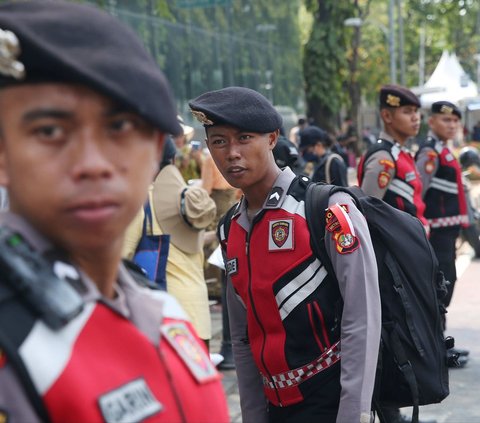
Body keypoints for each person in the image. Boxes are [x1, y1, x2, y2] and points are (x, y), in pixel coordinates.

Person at [0, 2, 229, 422]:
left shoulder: (161, 315)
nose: (93, 162)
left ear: (156, 148)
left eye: (120, 126)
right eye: (50, 131)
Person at [189, 86, 381, 423]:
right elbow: (242, 336)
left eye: (244, 137)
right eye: (219, 141)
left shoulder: (327, 209)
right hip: (272, 407)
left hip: (331, 402)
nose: (232, 152)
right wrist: (252, 415)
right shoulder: (229, 229)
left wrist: (354, 415)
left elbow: (362, 319)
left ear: (273, 138)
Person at [357, 85, 434, 423]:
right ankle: (390, 414)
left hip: (405, 258)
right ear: (387, 116)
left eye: (417, 111)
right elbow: (366, 211)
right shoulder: (384, 158)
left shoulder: (402, 154)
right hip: (389, 263)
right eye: (406, 112)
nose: (415, 117)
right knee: (393, 338)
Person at [123, 137, 217, 348]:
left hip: (166, 313)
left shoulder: (143, 201)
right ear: (173, 160)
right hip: (199, 312)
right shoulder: (191, 200)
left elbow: (121, 257)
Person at [415, 101, 470, 367]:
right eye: (445, 120)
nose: (451, 125)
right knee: (439, 286)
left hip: (447, 231)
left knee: (445, 283)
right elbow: (418, 191)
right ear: (432, 122)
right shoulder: (431, 153)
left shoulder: (443, 151)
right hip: (435, 232)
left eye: (454, 121)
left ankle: (440, 341)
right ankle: (436, 347)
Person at [174, 115, 203, 183]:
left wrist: (198, 160)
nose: (178, 139)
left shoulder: (191, 149)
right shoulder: (169, 152)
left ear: (184, 136)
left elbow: (205, 172)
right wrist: (182, 166)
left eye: (180, 135)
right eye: (175, 136)